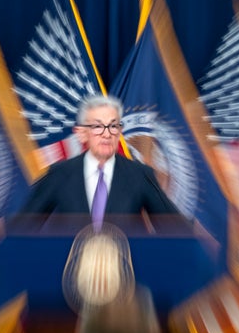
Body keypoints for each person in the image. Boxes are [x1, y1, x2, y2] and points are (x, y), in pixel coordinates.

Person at [16, 94, 184, 233]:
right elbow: (21, 230)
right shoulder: (59, 174)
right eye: (97, 126)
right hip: (70, 270)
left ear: (119, 132)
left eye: (113, 126)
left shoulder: (140, 175)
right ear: (81, 134)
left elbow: (177, 230)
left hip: (125, 270)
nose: (107, 134)